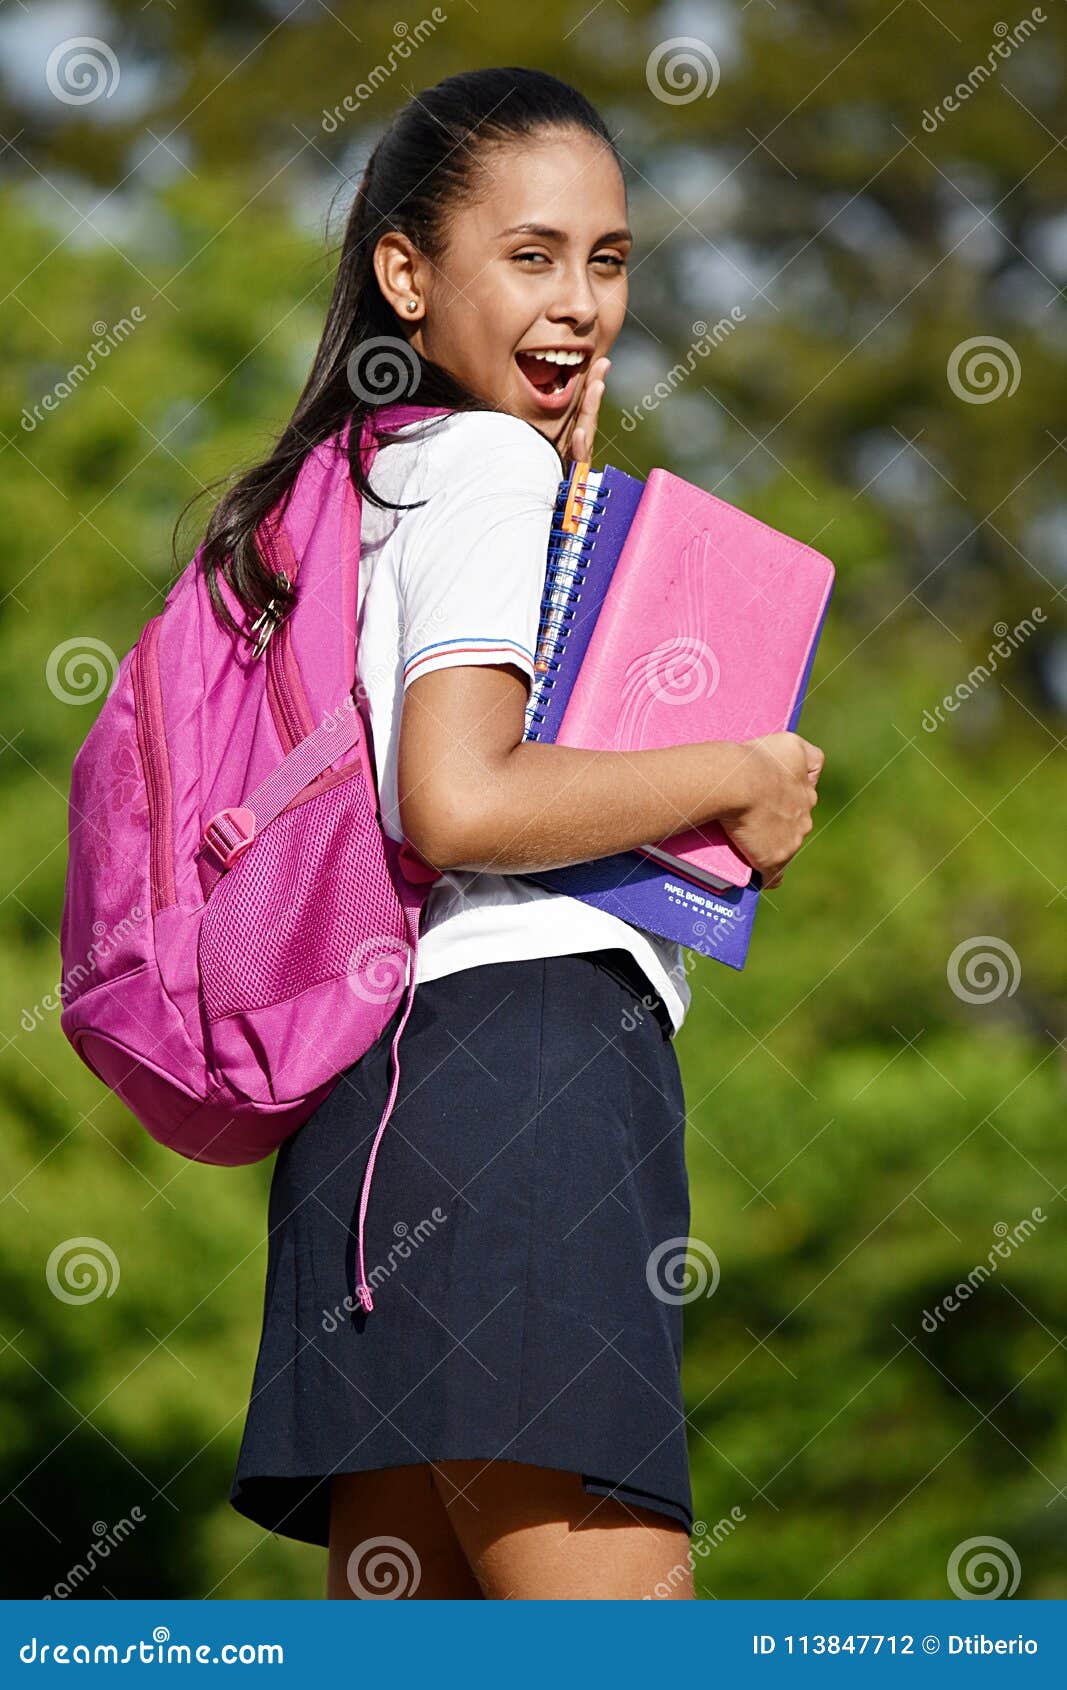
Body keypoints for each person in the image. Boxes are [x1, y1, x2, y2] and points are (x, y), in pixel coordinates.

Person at [210, 67, 822, 1600]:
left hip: (368, 1128)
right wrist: (735, 773)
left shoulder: (353, 483)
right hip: (526, 1097)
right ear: (407, 275)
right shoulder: (477, 463)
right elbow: (460, 797)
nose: (580, 305)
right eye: (532, 256)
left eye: (607, 261)